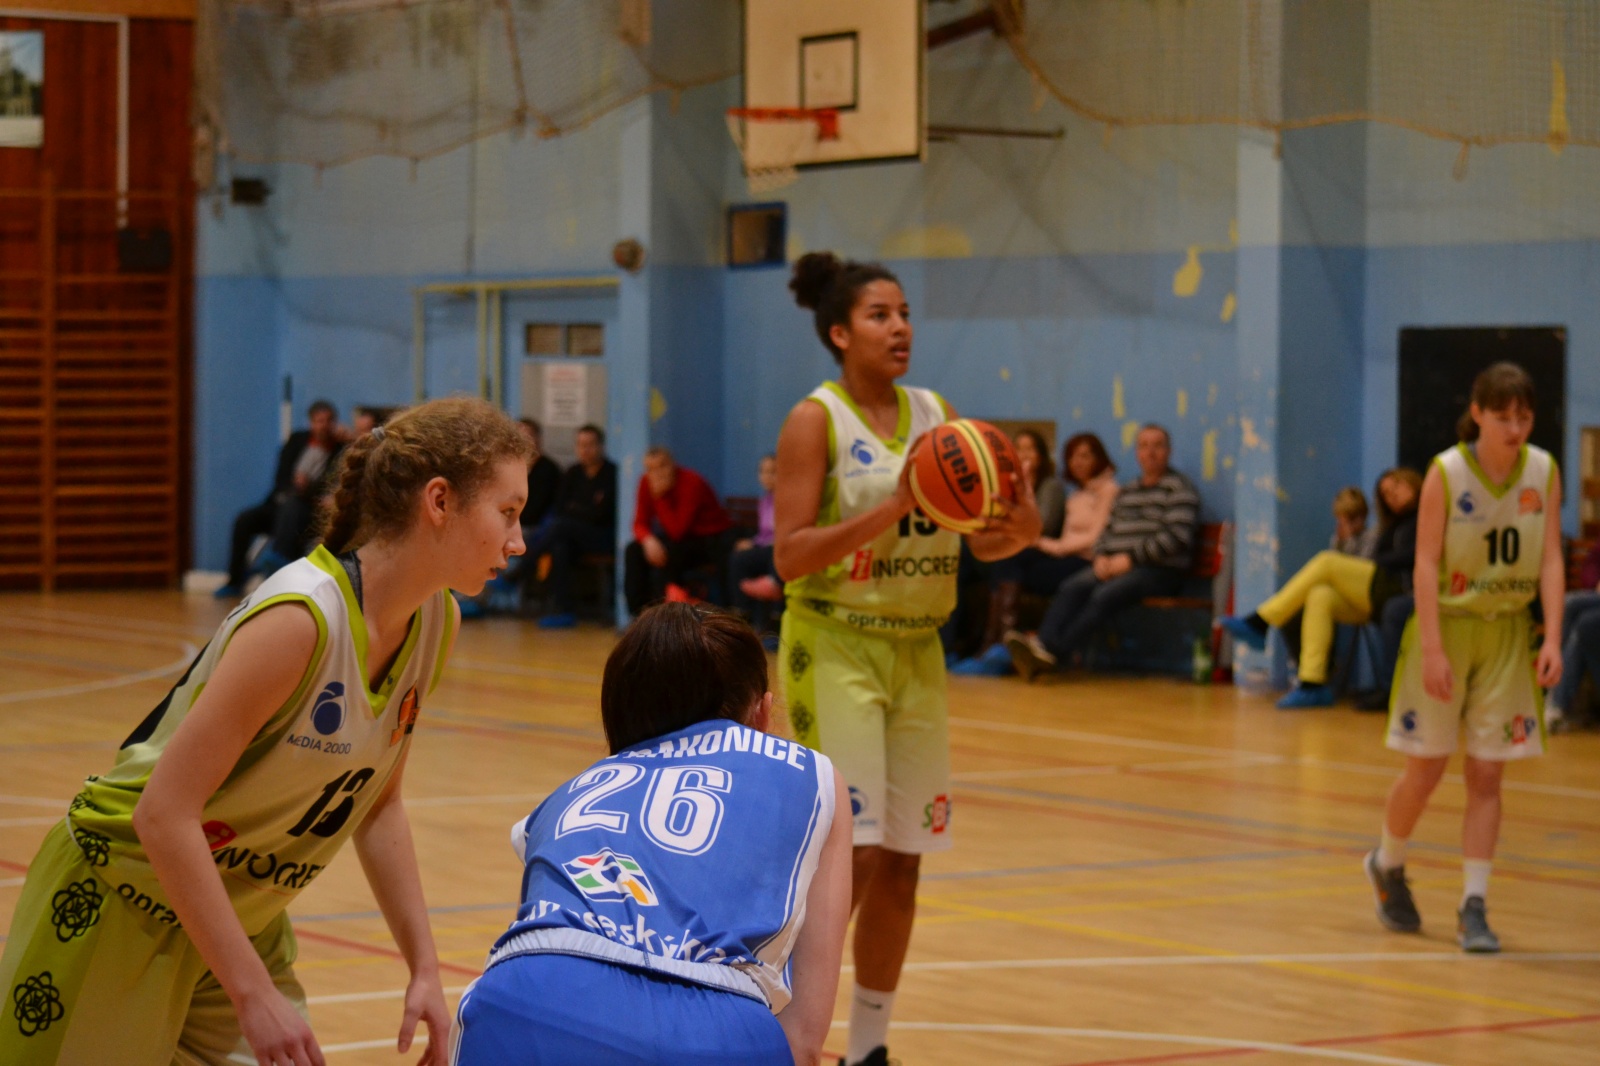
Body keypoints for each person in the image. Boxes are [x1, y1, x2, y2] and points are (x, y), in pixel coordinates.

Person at [0, 397, 531, 1064]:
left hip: (237, 922)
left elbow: (378, 804)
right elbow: (163, 813)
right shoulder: (300, 619)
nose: (519, 541)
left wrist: (423, 965)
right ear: (440, 501)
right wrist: (251, 993)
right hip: (121, 901)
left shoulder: (435, 623)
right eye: (508, 512)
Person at [773, 251, 1040, 1066]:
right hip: (835, 645)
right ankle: (786, 1034)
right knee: (847, 859)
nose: (901, 328)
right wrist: (894, 506)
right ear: (840, 332)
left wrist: (1022, 522)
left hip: (919, 650)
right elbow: (789, 555)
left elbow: (988, 542)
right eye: (881, 315)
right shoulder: (815, 420)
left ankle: (870, 1048)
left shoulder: (939, 416)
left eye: (906, 314)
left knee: (903, 860)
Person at [449, 604, 853, 1066]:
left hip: (519, 997)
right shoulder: (811, 772)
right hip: (710, 1026)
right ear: (762, 712)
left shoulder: (567, 794)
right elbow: (803, 1039)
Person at [1362, 361, 1563, 954]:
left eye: (1524, 417)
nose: (1515, 429)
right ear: (1477, 414)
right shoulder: (1446, 473)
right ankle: (1387, 862)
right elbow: (1424, 562)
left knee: (1488, 774)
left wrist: (1553, 636)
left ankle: (1474, 904)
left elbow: (1551, 556)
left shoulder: (1544, 470)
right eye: (1503, 417)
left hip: (1507, 633)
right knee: (1425, 771)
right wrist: (1430, 648)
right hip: (1447, 627)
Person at [1004, 424, 1197, 682]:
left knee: (1105, 594)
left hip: (1159, 570)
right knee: (1072, 586)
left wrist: (1130, 560)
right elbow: (1107, 531)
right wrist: (1103, 557)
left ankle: (1054, 653)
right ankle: (1043, 645)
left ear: (1168, 451)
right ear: (1137, 452)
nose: (1150, 452)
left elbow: (1176, 538)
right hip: (1115, 565)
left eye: (1157, 446)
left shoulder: (1179, 489)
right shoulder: (1128, 491)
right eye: (1144, 446)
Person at [1221, 468, 1422, 709]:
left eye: (1397, 486)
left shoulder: (1425, 515)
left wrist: (1381, 561)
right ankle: (1312, 684)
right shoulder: (1389, 527)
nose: (1392, 496)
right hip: (1377, 595)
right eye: (1386, 494)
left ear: (1412, 481)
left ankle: (1260, 621)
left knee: (1327, 562)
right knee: (1321, 595)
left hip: (1402, 590)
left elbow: (1412, 556)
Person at [952, 431, 1114, 676]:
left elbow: (1095, 537)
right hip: (1062, 556)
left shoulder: (1108, 490)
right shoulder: (1077, 493)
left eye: (1085, 456)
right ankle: (994, 645)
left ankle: (999, 647)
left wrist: (1050, 545)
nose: (1078, 462)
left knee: (1014, 561)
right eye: (1073, 457)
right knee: (1007, 562)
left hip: (1085, 561)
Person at [217, 399, 340, 597]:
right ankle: (235, 580)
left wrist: (305, 489)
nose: (323, 426)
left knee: (294, 508)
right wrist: (294, 486)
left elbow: (326, 489)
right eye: (319, 421)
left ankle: (278, 561)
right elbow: (281, 477)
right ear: (311, 422)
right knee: (244, 520)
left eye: (328, 421)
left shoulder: (339, 450)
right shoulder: (296, 441)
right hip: (279, 503)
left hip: (307, 510)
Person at [528, 423, 618, 629]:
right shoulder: (572, 473)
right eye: (580, 445)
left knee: (561, 527)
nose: (585, 450)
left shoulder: (612, 473)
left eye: (590, 445)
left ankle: (521, 571)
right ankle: (564, 611)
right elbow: (561, 507)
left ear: (601, 446)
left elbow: (602, 515)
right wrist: (586, 510)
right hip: (574, 536)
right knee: (560, 546)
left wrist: (576, 509)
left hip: (602, 537)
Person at [623, 447, 733, 616]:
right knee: (633, 550)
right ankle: (638, 615)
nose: (657, 473)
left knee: (666, 554)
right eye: (650, 468)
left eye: (662, 466)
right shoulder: (646, 481)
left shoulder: (692, 481)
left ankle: (666, 615)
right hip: (679, 538)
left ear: (673, 464)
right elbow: (639, 522)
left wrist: (660, 496)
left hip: (709, 537)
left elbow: (678, 529)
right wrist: (647, 539)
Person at [730, 454, 782, 635]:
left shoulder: (787, 498)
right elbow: (764, 533)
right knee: (739, 558)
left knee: (775, 553)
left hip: (781, 547)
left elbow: (782, 532)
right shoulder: (765, 501)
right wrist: (751, 542)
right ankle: (742, 613)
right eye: (763, 472)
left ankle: (773, 587)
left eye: (773, 472)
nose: (767, 476)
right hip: (766, 546)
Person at [1331, 485, 1379, 558]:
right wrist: (1340, 542)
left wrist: (1349, 539)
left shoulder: (1372, 537)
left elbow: (1360, 561)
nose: (1347, 524)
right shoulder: (1338, 539)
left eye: (1351, 518)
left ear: (1363, 515)